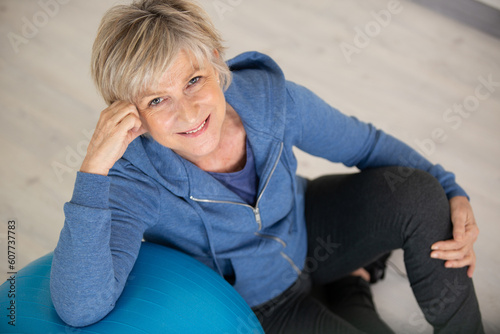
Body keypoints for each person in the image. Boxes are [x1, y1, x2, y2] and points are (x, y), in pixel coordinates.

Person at [50, 0, 484, 333]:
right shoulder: (131, 177)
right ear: (129, 114)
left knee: (420, 193)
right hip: (264, 304)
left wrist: (451, 190)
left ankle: (351, 280)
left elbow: (367, 146)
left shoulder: (269, 100)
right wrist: (92, 173)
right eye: (157, 100)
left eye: (193, 80)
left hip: (308, 231)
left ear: (216, 62)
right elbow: (80, 305)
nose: (188, 113)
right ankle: (350, 285)